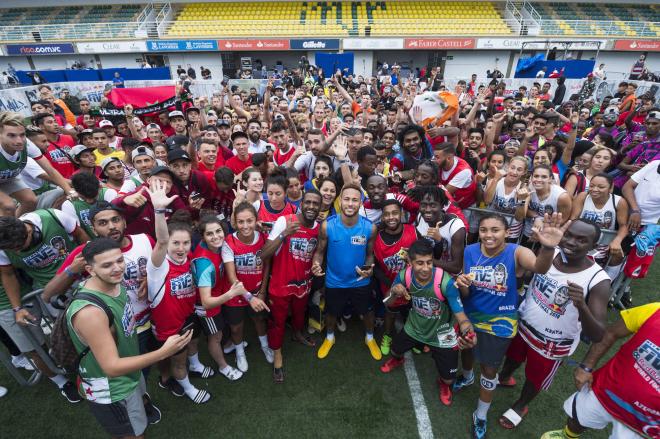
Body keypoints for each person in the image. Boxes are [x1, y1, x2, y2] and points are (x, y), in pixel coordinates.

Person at [453, 212, 571, 439]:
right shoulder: (469, 251)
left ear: (507, 233)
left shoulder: (516, 252)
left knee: (489, 369)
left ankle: (481, 415)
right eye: (484, 230)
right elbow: (466, 292)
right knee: (466, 351)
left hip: (501, 323)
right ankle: (467, 376)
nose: (488, 235)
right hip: (470, 316)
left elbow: (539, 267)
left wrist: (547, 247)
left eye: (495, 230)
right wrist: (461, 283)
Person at [66, 238, 193, 436]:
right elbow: (112, 367)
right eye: (107, 265)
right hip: (112, 389)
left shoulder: (115, 284)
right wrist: (163, 353)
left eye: (119, 260)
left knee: (138, 410)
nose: (117, 268)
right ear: (90, 270)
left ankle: (143, 408)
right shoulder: (90, 313)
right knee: (133, 434)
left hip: (129, 374)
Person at [496, 220, 611, 430]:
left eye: (582, 240)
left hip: (551, 342)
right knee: (512, 357)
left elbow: (597, 334)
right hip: (523, 324)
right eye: (570, 235)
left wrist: (582, 306)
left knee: (534, 378)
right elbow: (529, 274)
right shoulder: (551, 250)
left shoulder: (598, 280)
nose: (572, 242)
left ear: (593, 247)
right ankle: (503, 377)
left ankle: (521, 405)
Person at [0, 209, 88, 403]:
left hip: (78, 278)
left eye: (18, 246)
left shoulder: (52, 217)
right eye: (11, 249)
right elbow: (8, 275)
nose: (16, 251)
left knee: (83, 327)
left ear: (29, 231)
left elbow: (81, 236)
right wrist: (16, 309)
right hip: (47, 292)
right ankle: (62, 381)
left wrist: (92, 263)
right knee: (36, 346)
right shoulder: (4, 246)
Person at [541, 302, 660, 439]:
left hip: (645, 422)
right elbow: (611, 332)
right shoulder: (655, 310)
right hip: (605, 390)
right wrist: (586, 366)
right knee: (577, 418)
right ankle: (568, 436)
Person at [380, 239, 476, 406]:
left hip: (442, 334)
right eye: (420, 263)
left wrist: (468, 332)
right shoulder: (404, 275)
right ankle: (398, 359)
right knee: (395, 351)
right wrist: (395, 294)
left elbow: (461, 317)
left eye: (429, 262)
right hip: (414, 327)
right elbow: (388, 303)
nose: (425, 268)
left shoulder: (445, 282)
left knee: (448, 380)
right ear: (410, 262)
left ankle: (443, 384)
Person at [146, 182, 212, 404]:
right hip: (169, 326)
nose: (181, 247)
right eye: (176, 243)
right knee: (178, 360)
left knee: (193, 344)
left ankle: (196, 366)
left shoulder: (188, 258)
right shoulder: (158, 266)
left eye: (185, 243)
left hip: (188, 316)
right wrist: (159, 210)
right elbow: (162, 240)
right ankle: (188, 387)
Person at [312, 183, 381, 361]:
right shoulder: (327, 226)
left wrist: (369, 269)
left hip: (361, 281)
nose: (350, 204)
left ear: (361, 203)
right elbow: (319, 252)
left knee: (367, 311)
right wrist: (316, 264)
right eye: (347, 199)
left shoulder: (370, 228)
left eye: (355, 200)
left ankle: (370, 337)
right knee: (331, 312)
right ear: (340, 201)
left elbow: (370, 255)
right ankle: (329, 337)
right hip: (334, 281)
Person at [261, 190, 322, 382]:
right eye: (308, 202)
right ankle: (277, 355)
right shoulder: (284, 221)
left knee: (299, 314)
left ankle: (297, 334)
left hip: (303, 283)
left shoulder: (319, 227)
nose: (311, 206)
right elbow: (263, 254)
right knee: (277, 323)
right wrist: (284, 234)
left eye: (315, 204)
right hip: (280, 285)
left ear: (320, 207)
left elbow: (317, 253)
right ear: (301, 203)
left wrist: (316, 264)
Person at [191, 216, 248, 381]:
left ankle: (229, 345)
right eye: (210, 234)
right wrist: (231, 293)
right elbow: (206, 302)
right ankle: (224, 367)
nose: (216, 236)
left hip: (218, 295)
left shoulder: (217, 247)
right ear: (203, 237)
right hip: (206, 306)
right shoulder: (204, 264)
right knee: (215, 336)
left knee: (221, 330)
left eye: (218, 231)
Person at [221, 201, 272, 373]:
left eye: (249, 221)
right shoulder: (228, 242)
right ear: (234, 222)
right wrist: (250, 298)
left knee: (259, 320)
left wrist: (263, 292)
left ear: (256, 220)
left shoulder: (264, 238)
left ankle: (265, 345)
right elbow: (232, 278)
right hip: (236, 294)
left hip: (257, 291)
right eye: (240, 221)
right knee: (236, 327)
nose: (245, 226)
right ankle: (240, 352)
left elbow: (266, 266)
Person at [373, 199, 419, 355]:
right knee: (390, 313)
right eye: (386, 214)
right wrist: (393, 285)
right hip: (389, 285)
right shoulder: (377, 238)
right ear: (382, 217)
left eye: (394, 213)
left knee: (412, 312)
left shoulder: (413, 231)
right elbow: (376, 268)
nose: (390, 217)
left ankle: (413, 337)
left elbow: (425, 255)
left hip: (413, 286)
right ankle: (387, 335)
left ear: (401, 214)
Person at [571, 173, 629, 279]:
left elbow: (624, 226)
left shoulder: (619, 202)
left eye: (601, 187)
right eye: (592, 185)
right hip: (581, 240)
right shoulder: (583, 197)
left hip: (603, 244)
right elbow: (573, 219)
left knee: (617, 255)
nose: (594, 189)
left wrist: (617, 241)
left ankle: (606, 282)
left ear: (611, 188)